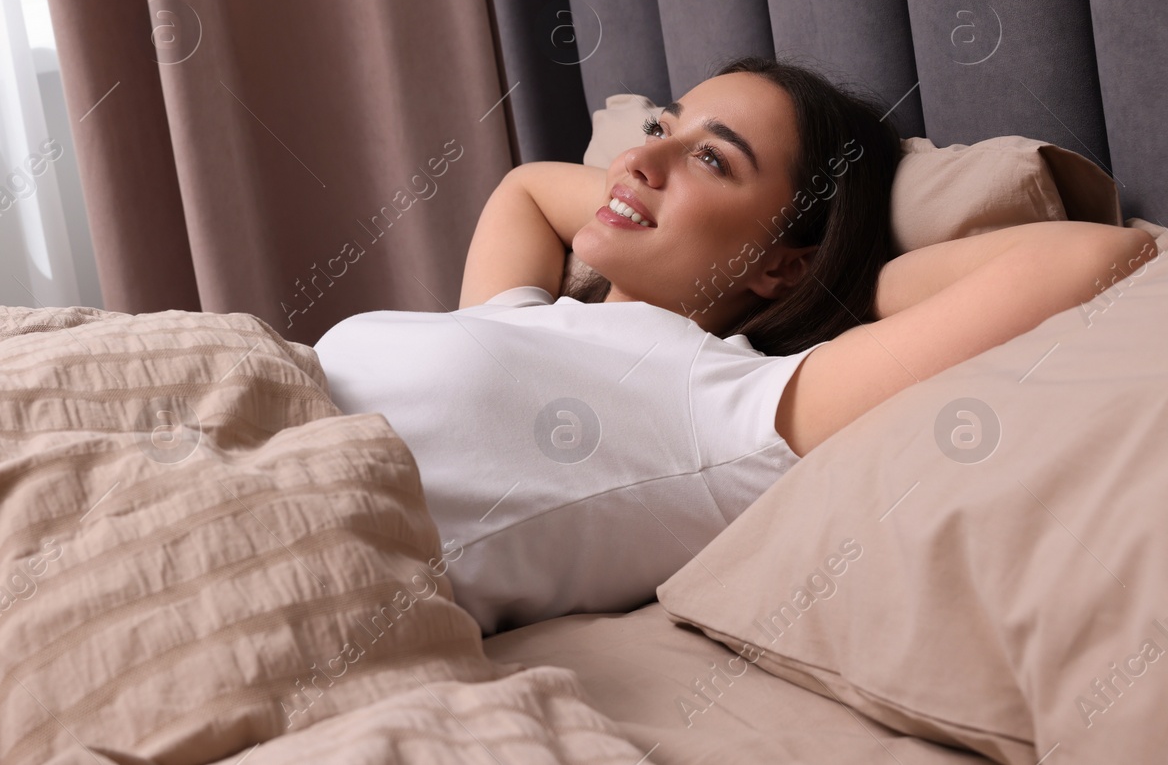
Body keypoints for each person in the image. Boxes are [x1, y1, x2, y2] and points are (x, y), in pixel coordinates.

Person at [313, 56, 1155, 634]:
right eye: (659, 125)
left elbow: (1093, 254)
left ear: (783, 263)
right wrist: (655, 190)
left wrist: (826, 281)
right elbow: (524, 188)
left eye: (712, 160)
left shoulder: (723, 401)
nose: (642, 156)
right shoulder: (523, 313)